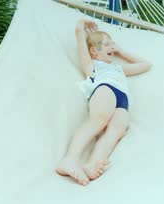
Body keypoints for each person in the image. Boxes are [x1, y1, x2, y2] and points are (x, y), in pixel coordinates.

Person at [55, 19, 152, 186]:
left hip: (122, 99)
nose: (111, 48)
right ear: (94, 50)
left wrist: (121, 51)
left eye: (112, 44)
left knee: (116, 130)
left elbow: (146, 65)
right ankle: (69, 159)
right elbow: (80, 40)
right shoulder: (92, 65)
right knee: (98, 121)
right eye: (107, 44)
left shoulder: (118, 69)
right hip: (104, 88)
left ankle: (93, 163)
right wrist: (80, 26)